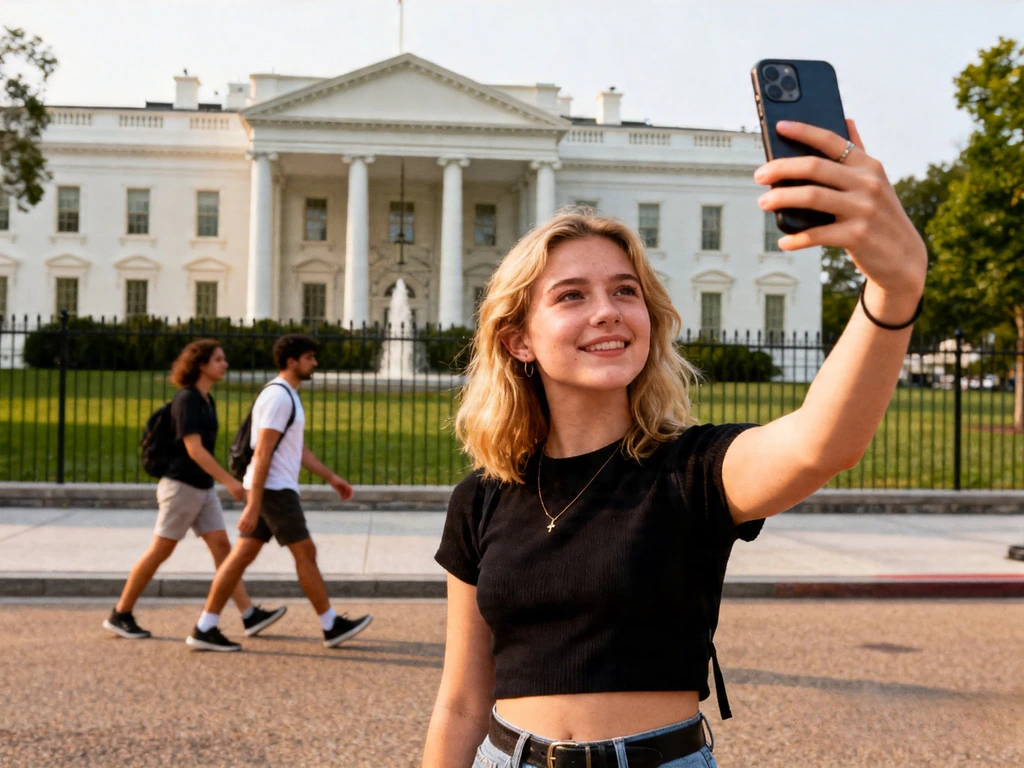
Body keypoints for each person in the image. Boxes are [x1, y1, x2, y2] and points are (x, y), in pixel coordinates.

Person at [423, 120, 927, 768]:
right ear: (518, 339)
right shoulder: (482, 498)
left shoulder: (693, 470)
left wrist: (893, 289)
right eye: (572, 296)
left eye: (624, 291)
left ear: (648, 320)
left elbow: (820, 444)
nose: (606, 310)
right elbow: (463, 700)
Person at [186, 333, 373, 651]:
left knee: (239, 559)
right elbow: (263, 453)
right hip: (273, 491)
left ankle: (205, 626)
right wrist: (254, 505)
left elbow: (296, 449)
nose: (314, 363)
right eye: (309, 357)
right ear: (292, 361)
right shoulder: (279, 397)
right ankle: (330, 624)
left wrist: (332, 478)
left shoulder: (288, 395)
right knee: (306, 553)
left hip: (271, 490)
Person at [103, 339, 287, 641]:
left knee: (223, 550)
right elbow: (194, 450)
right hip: (182, 487)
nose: (224, 364)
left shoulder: (205, 400)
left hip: (201, 488)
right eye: (218, 359)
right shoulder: (187, 400)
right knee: (160, 550)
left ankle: (249, 614)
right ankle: (120, 613)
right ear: (201, 365)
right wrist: (229, 481)